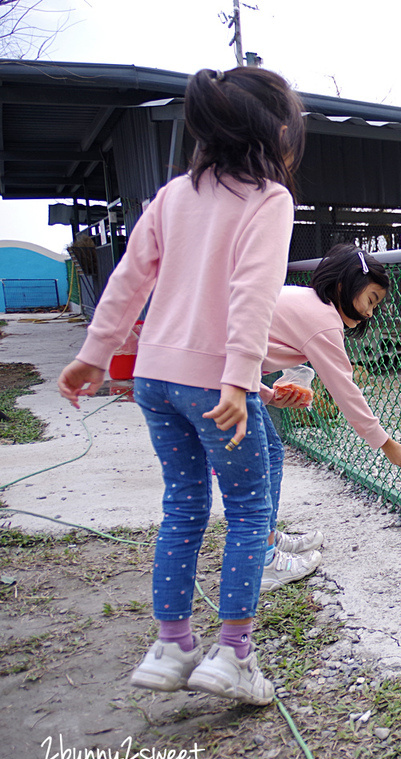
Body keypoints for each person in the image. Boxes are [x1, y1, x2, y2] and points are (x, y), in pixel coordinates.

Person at [56, 66, 306, 705]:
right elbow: (254, 294)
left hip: (154, 380)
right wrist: (240, 378)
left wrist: (94, 354)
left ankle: (171, 644)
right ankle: (234, 657)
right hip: (215, 384)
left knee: (184, 506)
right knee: (251, 512)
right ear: (279, 133)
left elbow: (127, 281)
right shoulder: (269, 201)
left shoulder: (172, 196)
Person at [256, 243, 401, 589]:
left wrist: (268, 395)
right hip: (216, 377)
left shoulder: (305, 300)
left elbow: (244, 350)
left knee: (267, 454)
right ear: (346, 285)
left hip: (221, 372)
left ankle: (264, 539)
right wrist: (385, 443)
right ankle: (262, 557)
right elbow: (345, 390)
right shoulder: (323, 320)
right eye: (371, 299)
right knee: (265, 457)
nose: (371, 313)